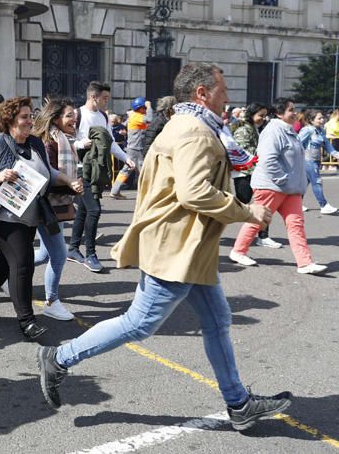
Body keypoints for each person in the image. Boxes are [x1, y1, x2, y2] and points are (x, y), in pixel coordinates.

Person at [35, 62, 293, 432]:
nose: (228, 97)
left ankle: (238, 404)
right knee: (139, 323)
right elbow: (194, 192)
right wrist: (248, 211)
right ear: (202, 93)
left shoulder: (190, 125)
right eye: (222, 90)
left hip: (188, 246)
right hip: (176, 246)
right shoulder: (196, 132)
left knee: (217, 321)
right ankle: (59, 357)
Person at [0, 97, 81, 338]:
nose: (30, 121)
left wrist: (68, 180)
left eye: (30, 116)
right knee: (23, 263)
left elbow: (47, 171)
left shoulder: (35, 143)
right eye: (24, 117)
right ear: (10, 121)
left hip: (28, 215)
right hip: (0, 216)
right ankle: (27, 321)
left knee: (3, 262)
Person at [229, 98, 327, 274]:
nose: (295, 112)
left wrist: (291, 183)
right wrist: (283, 179)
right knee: (258, 219)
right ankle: (238, 251)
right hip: (271, 186)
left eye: (294, 109)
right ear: (280, 113)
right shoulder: (274, 131)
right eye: (291, 109)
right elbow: (267, 160)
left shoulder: (287, 130)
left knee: (296, 224)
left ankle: (304, 263)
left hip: (289, 189)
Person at [67, 81, 134, 273]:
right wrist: (82, 144)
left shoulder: (103, 116)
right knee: (94, 210)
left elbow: (111, 143)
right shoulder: (77, 114)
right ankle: (90, 254)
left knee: (84, 211)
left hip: (98, 169)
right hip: (81, 170)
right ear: (93, 97)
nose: (107, 101)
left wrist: (126, 158)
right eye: (104, 98)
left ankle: (72, 248)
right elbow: (67, 142)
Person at [32, 99, 83, 321]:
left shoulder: (63, 140)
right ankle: (52, 302)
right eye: (69, 115)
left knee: (45, 254)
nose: (74, 119)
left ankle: (5, 270)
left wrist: (73, 184)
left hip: (58, 206)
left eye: (75, 114)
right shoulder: (49, 143)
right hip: (46, 206)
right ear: (56, 119)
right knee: (59, 255)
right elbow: (47, 178)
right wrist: (71, 184)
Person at [231, 103, 282, 248]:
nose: (263, 118)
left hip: (255, 173)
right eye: (260, 115)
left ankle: (263, 236)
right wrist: (264, 152)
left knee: (263, 204)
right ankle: (212, 228)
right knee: (239, 205)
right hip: (244, 173)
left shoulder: (254, 128)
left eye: (265, 115)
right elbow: (242, 150)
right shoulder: (243, 129)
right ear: (251, 114)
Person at [298, 109, 339, 214]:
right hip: (308, 160)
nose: (322, 120)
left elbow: (328, 145)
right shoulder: (307, 130)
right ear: (311, 120)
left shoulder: (321, 130)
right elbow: (296, 143)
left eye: (322, 117)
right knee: (317, 182)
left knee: (304, 183)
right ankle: (324, 205)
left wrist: (336, 154)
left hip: (316, 161)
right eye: (319, 118)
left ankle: (296, 204)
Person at [110, 97, 151, 199]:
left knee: (126, 170)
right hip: (136, 149)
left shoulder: (137, 116)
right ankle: (149, 193)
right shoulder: (137, 116)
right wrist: (149, 106)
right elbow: (149, 119)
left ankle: (115, 191)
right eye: (144, 108)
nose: (145, 110)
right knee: (144, 171)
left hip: (133, 148)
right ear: (140, 108)